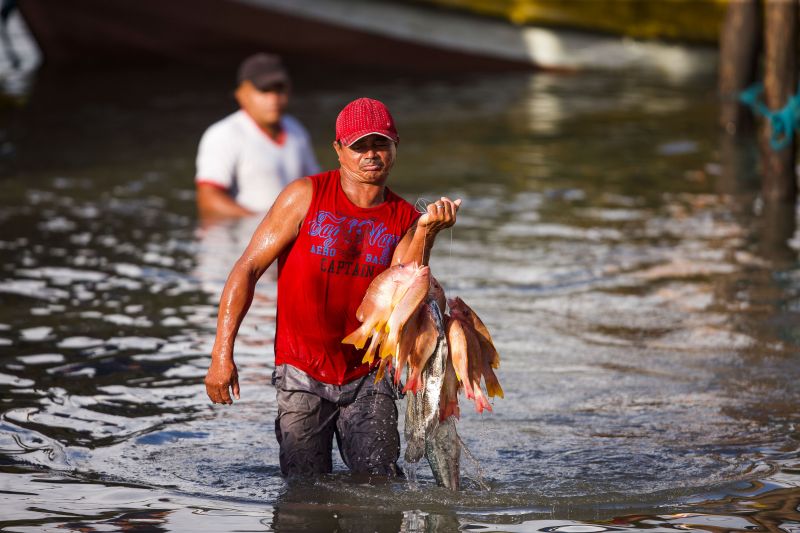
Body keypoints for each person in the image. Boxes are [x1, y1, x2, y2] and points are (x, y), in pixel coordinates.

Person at [204, 97, 461, 478]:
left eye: (380, 144)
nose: (370, 155)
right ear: (339, 150)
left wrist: (427, 233)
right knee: (304, 491)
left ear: (395, 148)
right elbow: (247, 268)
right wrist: (221, 355)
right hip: (301, 372)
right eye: (359, 146)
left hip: (369, 377)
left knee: (377, 489)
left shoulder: (406, 217)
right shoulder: (304, 196)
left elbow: (405, 293)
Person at [195, 53, 320, 218]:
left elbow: (317, 187)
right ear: (242, 93)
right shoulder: (223, 134)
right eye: (264, 90)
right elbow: (209, 201)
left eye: (279, 89)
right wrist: (269, 225)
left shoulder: (296, 130)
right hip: (244, 239)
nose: (274, 98)